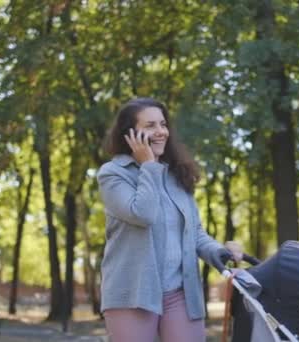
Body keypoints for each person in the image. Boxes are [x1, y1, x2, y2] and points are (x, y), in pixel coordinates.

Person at [97, 97, 243, 342]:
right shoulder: (113, 174)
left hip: (180, 293)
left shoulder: (177, 176)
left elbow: (194, 233)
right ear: (130, 134)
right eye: (150, 126)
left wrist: (219, 252)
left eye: (163, 124)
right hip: (133, 293)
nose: (161, 132)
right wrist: (148, 166)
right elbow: (142, 214)